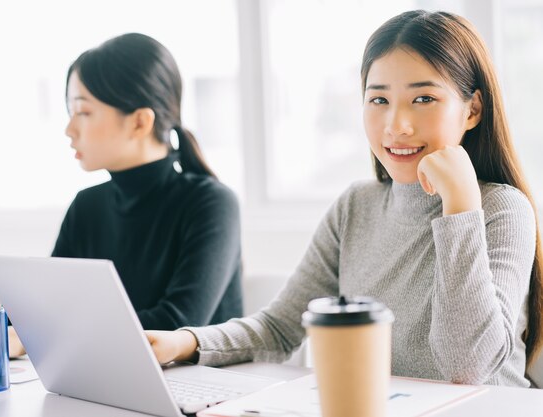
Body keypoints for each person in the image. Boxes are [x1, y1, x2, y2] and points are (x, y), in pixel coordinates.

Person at [146, 10, 543, 387]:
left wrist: (460, 207)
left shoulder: (501, 209)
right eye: (379, 100)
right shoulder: (356, 205)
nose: (396, 125)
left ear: (472, 109)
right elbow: (280, 327)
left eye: (423, 99)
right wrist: (185, 343)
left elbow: (466, 367)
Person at [0, 33, 243, 333]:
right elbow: (33, 317)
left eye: (83, 112)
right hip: (110, 386)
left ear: (140, 121)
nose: (69, 129)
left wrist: (42, 334)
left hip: (207, 390)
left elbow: (176, 325)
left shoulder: (211, 203)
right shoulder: (87, 207)